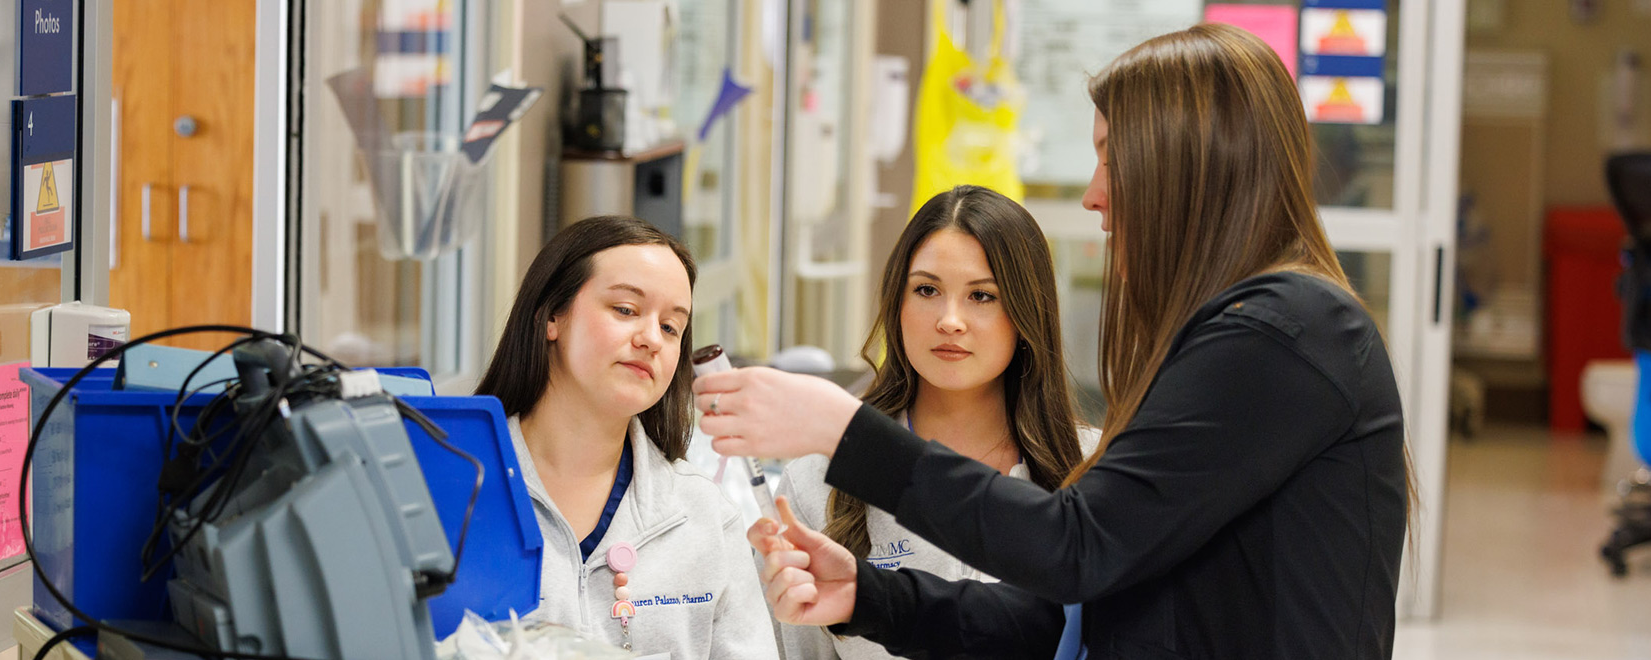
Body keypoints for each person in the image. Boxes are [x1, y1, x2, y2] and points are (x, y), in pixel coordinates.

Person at [702, 23, 1410, 659]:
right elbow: (1071, 617)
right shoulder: (1248, 332)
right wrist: (867, 597)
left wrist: (839, 425)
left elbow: (1075, 549)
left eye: (1110, 157)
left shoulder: (1279, 336)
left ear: (1184, 165)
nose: (1093, 195)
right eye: (927, 290)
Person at [772, 185, 1097, 659]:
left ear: (1027, 313)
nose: (950, 320)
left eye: (981, 296)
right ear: (896, 304)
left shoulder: (1092, 468)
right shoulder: (816, 480)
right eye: (926, 290)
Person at [476, 215, 778, 658]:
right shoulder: (459, 487)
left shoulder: (703, 517)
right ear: (551, 317)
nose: (651, 339)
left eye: (671, 327)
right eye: (625, 310)